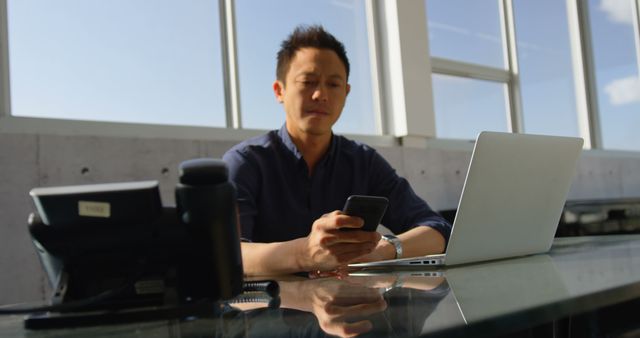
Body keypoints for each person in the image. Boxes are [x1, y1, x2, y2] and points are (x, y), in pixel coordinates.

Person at [223, 25, 451, 276]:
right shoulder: (245, 163)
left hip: (350, 308)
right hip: (269, 311)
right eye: (308, 82)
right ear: (280, 90)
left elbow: (438, 229)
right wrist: (306, 254)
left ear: (346, 92)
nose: (321, 94)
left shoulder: (364, 162)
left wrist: (382, 250)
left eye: (333, 84)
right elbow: (230, 254)